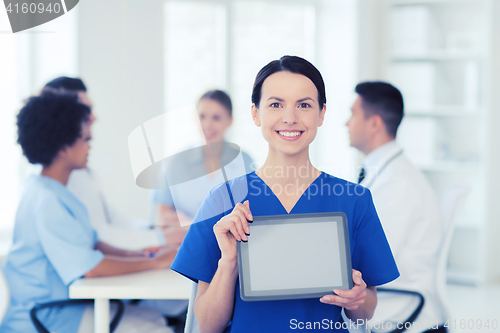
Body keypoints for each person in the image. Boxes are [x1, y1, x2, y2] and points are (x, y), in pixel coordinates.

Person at [170, 56, 400, 332]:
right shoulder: (222, 201)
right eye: (276, 104)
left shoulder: (354, 201)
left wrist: (357, 299)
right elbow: (207, 326)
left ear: (321, 113)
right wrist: (229, 261)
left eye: (304, 105)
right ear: (256, 113)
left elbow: (366, 312)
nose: (290, 118)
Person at [0, 91, 175, 333]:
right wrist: (155, 264)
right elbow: (89, 267)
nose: (89, 147)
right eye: (85, 140)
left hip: (62, 306)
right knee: (157, 329)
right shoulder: (47, 201)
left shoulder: (53, 190)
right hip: (48, 315)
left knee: (155, 319)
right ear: (63, 148)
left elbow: (94, 245)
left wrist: (145, 255)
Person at [345, 81, 446, 332]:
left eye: (353, 114)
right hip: (393, 301)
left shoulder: (398, 184)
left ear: (375, 124)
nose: (346, 123)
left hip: (403, 311)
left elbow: (368, 260)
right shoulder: (385, 172)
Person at [43, 77, 186, 251]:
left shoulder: (82, 169)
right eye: (85, 109)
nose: (94, 117)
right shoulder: (61, 178)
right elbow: (97, 234)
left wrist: (153, 230)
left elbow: (109, 217)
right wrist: (159, 238)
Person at [152, 89, 254, 227]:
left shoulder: (245, 162)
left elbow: (250, 217)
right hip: (183, 245)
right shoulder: (175, 162)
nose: (207, 125)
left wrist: (189, 223)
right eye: (202, 116)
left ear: (230, 121)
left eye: (216, 118)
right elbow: (162, 219)